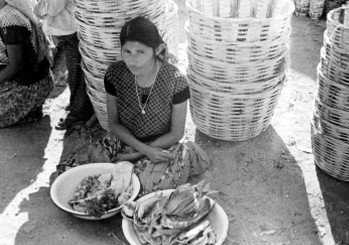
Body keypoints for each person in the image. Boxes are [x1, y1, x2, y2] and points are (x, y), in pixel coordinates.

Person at [85, 16, 210, 194]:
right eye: (127, 51)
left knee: (145, 186)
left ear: (157, 49)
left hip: (163, 145)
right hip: (126, 141)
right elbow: (113, 124)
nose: (132, 60)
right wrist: (141, 149)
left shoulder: (175, 80)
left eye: (140, 52)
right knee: (92, 167)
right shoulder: (115, 74)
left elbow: (177, 133)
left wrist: (141, 154)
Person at [34, 0, 94, 130]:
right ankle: (77, 107)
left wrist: (38, 9)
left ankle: (79, 113)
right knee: (74, 71)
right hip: (67, 30)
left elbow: (53, 7)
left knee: (76, 72)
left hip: (70, 31)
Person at [0, 0, 54, 128]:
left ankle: (29, 111)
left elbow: (16, 65)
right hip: (34, 78)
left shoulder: (9, 17)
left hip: (29, 85)